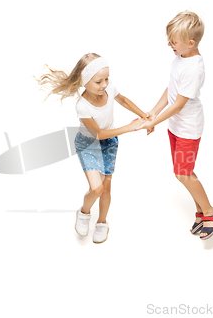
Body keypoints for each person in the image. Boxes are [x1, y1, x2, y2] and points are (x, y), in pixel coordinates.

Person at [37, 53, 147, 243]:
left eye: (106, 78)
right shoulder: (82, 106)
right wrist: (129, 127)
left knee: (106, 188)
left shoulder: (109, 88)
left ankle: (102, 222)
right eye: (98, 81)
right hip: (89, 144)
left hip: (109, 143)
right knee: (95, 189)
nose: (104, 84)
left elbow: (124, 100)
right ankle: (84, 212)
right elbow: (97, 134)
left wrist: (144, 115)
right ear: (84, 82)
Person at [136, 10, 213, 240]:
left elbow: (178, 105)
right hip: (175, 126)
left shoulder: (194, 68)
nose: (169, 45)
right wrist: (153, 111)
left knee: (182, 173)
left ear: (190, 43)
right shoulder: (180, 58)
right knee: (185, 172)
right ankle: (201, 212)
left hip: (187, 128)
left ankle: (210, 213)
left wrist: (154, 121)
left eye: (173, 42)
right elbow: (171, 90)